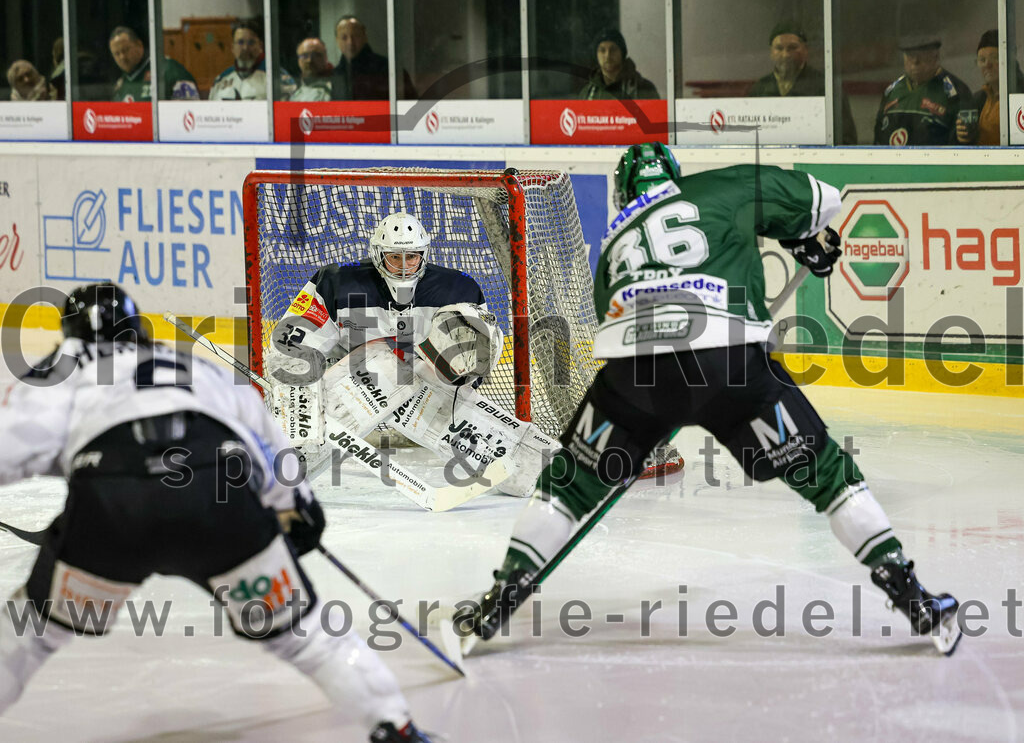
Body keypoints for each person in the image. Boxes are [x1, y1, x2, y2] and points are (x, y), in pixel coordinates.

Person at [456, 142, 962, 656]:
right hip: (731, 368)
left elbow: (617, 320)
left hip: (636, 376)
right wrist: (805, 239)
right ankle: (911, 597)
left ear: (623, 193)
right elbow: (823, 200)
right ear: (677, 175)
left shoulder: (614, 243)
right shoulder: (725, 186)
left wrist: (673, 393)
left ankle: (501, 596)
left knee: (567, 486)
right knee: (826, 474)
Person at [0, 283, 433, 743]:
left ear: (69, 334)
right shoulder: (191, 363)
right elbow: (264, 439)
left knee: (32, 632)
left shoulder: (63, 368)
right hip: (219, 494)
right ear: (139, 329)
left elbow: (13, 445)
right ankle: (396, 727)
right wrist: (295, 506)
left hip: (114, 501)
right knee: (304, 634)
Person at [267, 213, 553, 498]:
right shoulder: (335, 283)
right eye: (395, 257)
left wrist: (461, 368)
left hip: (422, 389)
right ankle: (284, 465)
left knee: (508, 452)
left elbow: (473, 370)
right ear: (378, 255)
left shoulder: (458, 290)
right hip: (351, 385)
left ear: (424, 255)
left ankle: (538, 467)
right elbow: (289, 345)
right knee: (299, 440)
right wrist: (301, 410)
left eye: (412, 257)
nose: (404, 267)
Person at [747, 22, 857, 144]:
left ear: (806, 50)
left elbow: (846, 139)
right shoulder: (760, 89)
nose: (785, 54)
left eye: (792, 48)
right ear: (771, 52)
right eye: (779, 48)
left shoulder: (826, 87)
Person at [873, 35, 971, 146]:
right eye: (910, 56)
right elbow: (878, 137)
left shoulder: (955, 91)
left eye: (921, 57)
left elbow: (964, 143)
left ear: (935, 58)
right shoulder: (892, 91)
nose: (915, 63)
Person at [956, 29, 1024, 146]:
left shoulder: (1020, 97)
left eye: (995, 58)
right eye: (982, 60)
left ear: (1010, 59)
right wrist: (961, 136)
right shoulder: (979, 99)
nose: (987, 65)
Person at [331, 15, 417, 101]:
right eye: (344, 38)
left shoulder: (387, 69)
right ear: (337, 41)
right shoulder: (337, 74)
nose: (350, 42)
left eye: (355, 36)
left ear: (365, 36)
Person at [209, 18, 296, 101]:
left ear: (260, 46)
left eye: (251, 42)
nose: (245, 48)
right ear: (232, 48)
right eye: (240, 42)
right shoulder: (221, 80)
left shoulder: (277, 78)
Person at [108, 26, 199, 102]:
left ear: (139, 45)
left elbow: (188, 112)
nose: (122, 57)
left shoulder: (170, 71)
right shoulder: (121, 85)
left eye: (126, 50)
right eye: (117, 54)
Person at [577, 28, 659, 100]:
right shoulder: (587, 94)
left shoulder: (643, 89)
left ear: (622, 53)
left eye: (613, 49)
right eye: (602, 50)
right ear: (596, 55)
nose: (608, 55)